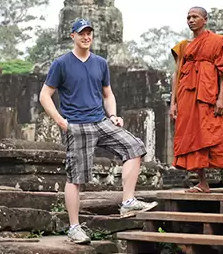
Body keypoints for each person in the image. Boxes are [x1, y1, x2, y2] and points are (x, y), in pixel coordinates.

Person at [39, 19, 158, 245]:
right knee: (76, 177)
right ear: (72, 36)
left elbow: (108, 94)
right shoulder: (61, 63)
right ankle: (74, 228)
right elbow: (45, 95)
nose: (86, 37)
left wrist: (113, 115)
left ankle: (128, 201)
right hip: (77, 124)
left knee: (134, 147)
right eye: (82, 33)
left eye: (89, 33)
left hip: (101, 120)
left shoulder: (100, 63)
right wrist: (61, 121)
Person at [170, 7, 223, 194]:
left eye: (195, 17)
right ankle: (202, 182)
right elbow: (176, 75)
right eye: (188, 17)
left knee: (217, 136)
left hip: (209, 94)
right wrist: (173, 102)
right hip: (187, 95)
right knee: (193, 137)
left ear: (205, 19)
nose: (191, 20)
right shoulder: (184, 46)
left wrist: (221, 99)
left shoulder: (217, 41)